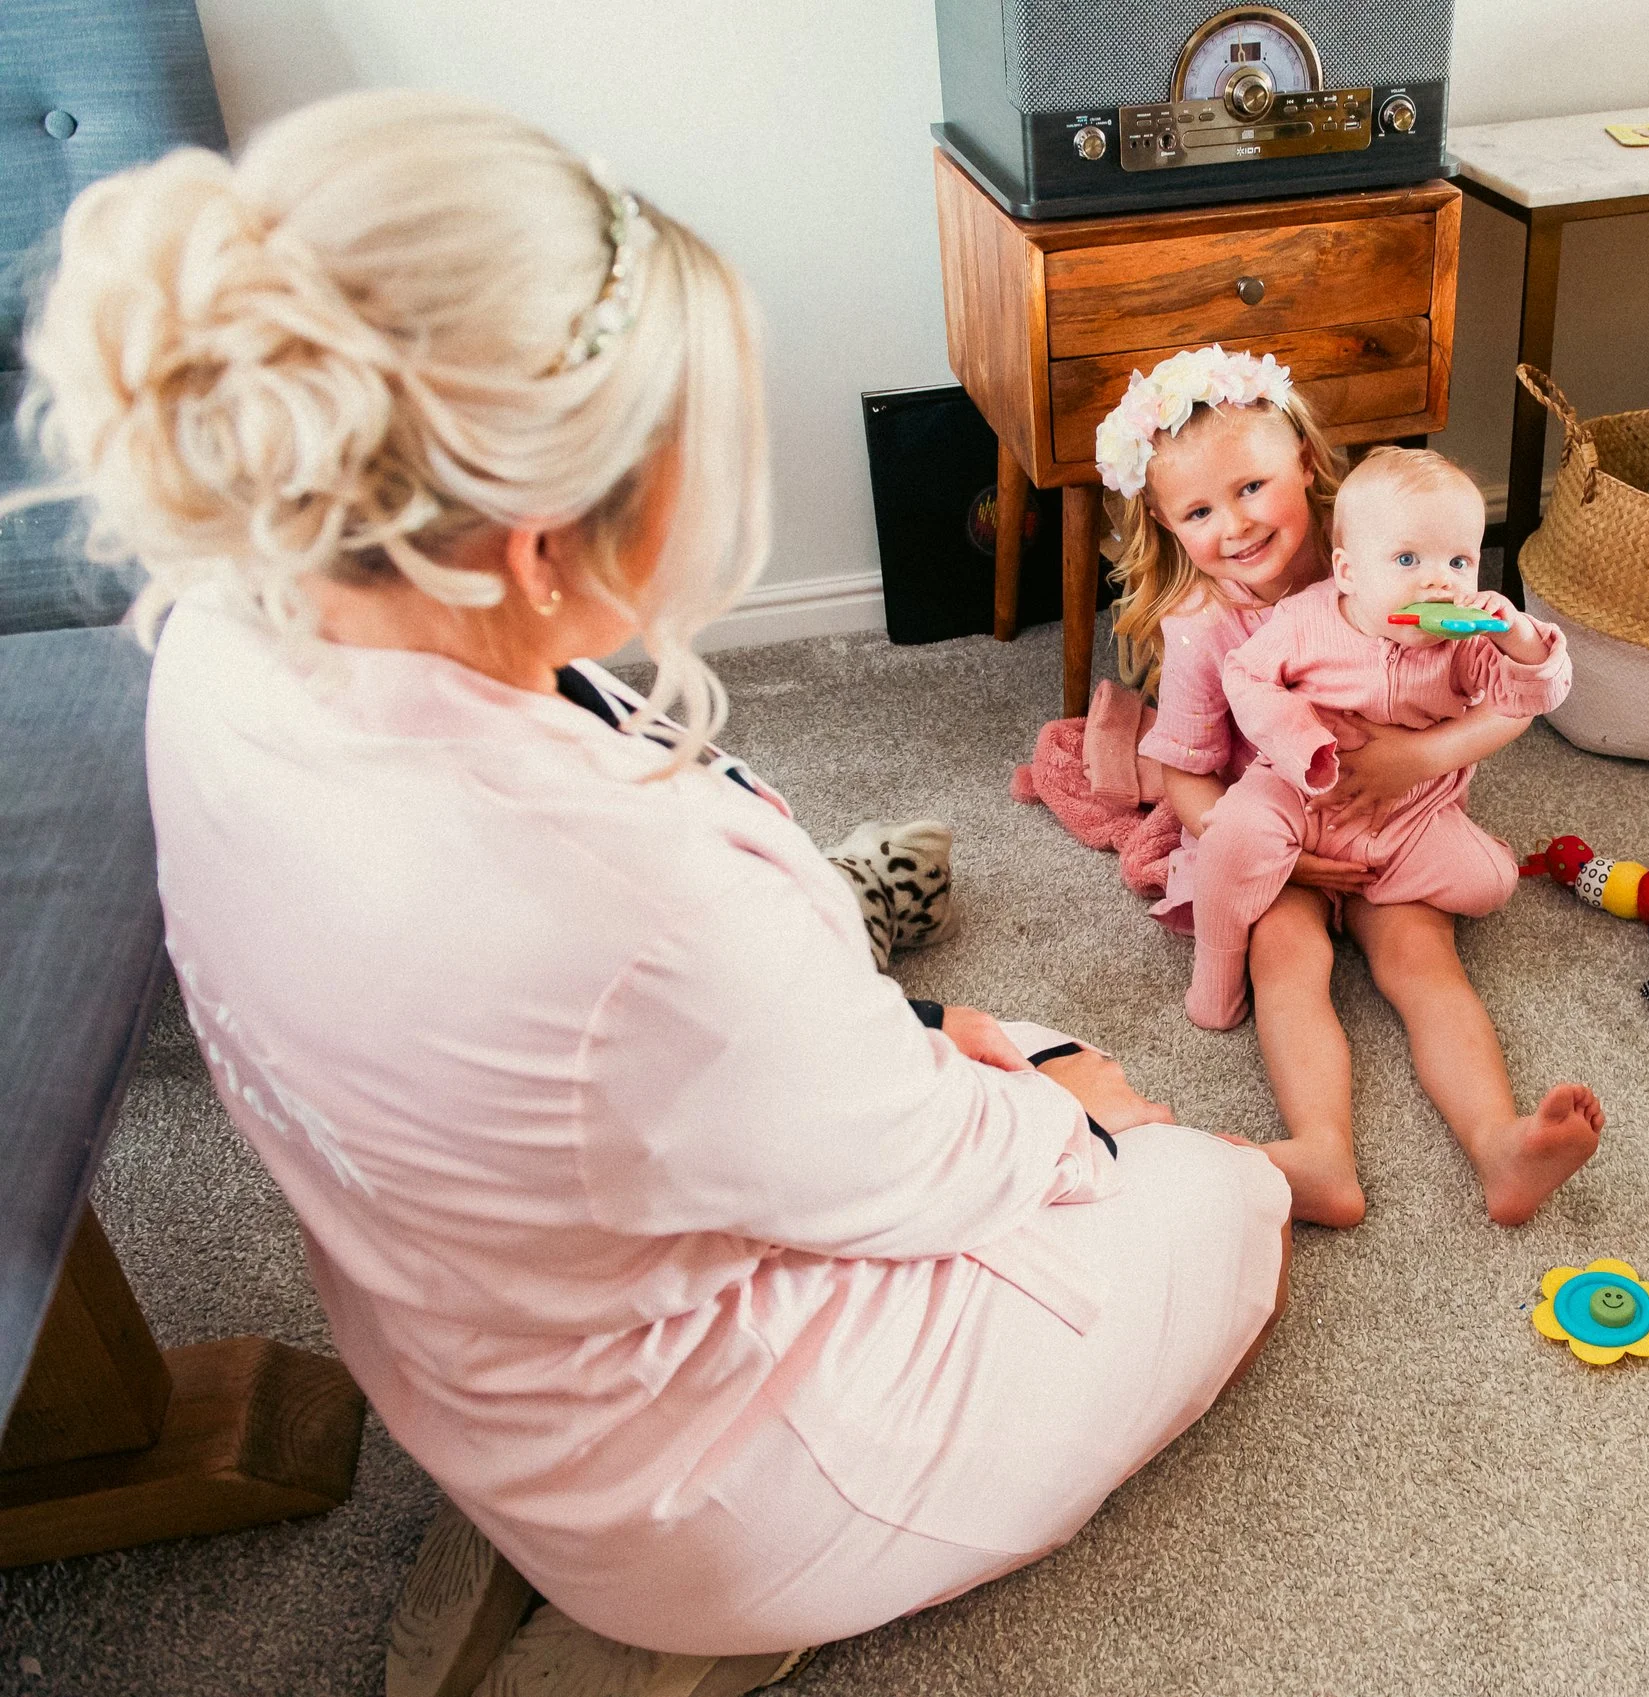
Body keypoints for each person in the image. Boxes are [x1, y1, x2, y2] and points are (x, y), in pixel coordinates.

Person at [9, 89, 1290, 1672]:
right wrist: (1085, 1117)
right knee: (1218, 1195)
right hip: (703, 1483)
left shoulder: (214, 631)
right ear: (547, 541)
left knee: (955, 1048)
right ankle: (659, 1624)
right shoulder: (624, 906)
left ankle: (916, 1048)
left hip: (474, 1324)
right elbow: (930, 1173)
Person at [1099, 352, 1601, 1229]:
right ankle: (1322, 1151)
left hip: (1403, 825)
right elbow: (1184, 768)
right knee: (1287, 965)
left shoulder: (1404, 556)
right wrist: (1264, 854)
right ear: (1166, 522)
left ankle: (1500, 1144)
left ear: (1304, 462)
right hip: (1279, 836)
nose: (1238, 525)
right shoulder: (1203, 628)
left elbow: (1514, 697)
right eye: (1200, 511)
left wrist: (1417, 760)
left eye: (1254, 486)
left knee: (1425, 966)